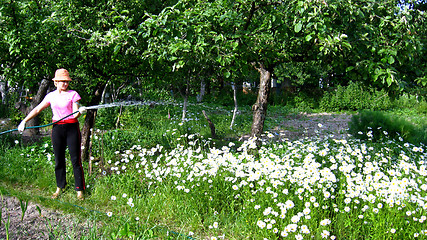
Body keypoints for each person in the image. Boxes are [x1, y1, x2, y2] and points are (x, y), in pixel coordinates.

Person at [18, 68, 87, 200]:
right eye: (62, 81)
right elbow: (38, 108)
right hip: (57, 129)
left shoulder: (73, 94)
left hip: (72, 127)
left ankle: (79, 190)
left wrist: (80, 111)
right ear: (55, 82)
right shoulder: (51, 96)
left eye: (67, 81)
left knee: (75, 160)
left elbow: (75, 113)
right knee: (58, 159)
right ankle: (60, 187)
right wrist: (24, 121)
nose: (65, 84)